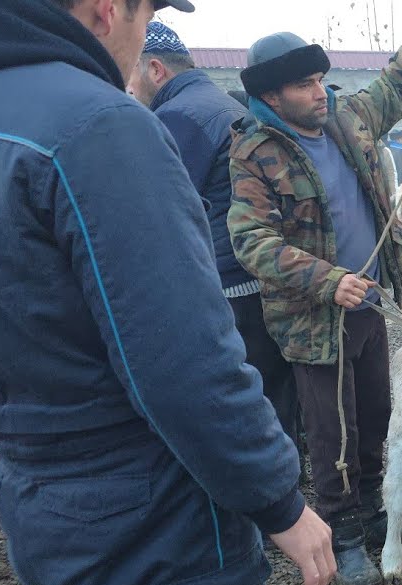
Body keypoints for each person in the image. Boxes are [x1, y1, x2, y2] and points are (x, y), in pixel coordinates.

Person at [0, 0, 338, 585]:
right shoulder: (100, 126)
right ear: (104, 10)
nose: (144, 39)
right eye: (146, 16)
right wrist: (279, 500)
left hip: (40, 499)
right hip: (152, 519)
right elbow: (182, 362)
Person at [228, 0, 402, 585]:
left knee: (375, 416)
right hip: (314, 323)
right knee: (331, 430)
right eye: (304, 85)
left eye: (318, 79)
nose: (319, 92)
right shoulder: (254, 153)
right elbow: (250, 240)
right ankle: (344, 536)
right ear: (272, 95)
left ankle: (377, 515)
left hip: (369, 308)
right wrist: (327, 280)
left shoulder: (347, 117)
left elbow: (399, 81)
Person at [129, 21, 304, 443]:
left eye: (130, 75)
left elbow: (165, 210)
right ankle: (289, 459)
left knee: (239, 386)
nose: (128, 88)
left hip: (225, 280)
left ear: (155, 70)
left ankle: (262, 474)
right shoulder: (225, 104)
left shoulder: (177, 116)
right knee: (273, 380)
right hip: (260, 271)